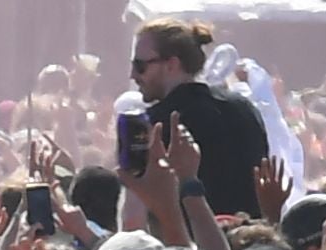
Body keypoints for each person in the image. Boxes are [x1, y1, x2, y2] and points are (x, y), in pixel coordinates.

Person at [111, 21, 276, 224]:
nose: (133, 75)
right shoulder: (244, 109)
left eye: (140, 66)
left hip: (188, 248)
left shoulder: (150, 126)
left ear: (172, 64)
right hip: (249, 240)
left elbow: (133, 217)